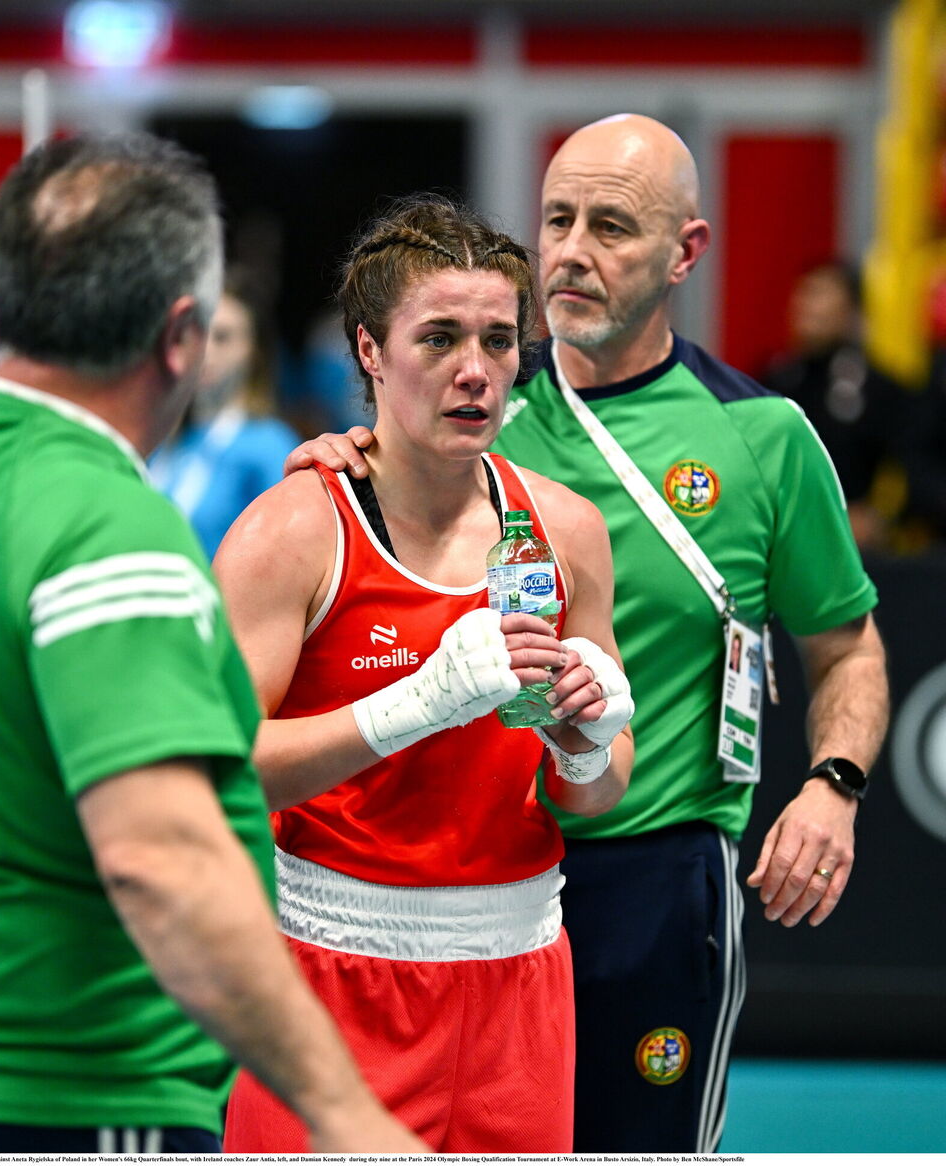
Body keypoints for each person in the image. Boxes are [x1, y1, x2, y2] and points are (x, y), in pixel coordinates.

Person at [0, 133, 426, 1156]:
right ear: (179, 336)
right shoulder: (109, 525)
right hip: (66, 1093)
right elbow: (163, 859)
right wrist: (346, 1116)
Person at [286, 114, 889, 1153]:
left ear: (684, 253)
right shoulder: (477, 406)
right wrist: (349, 456)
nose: (570, 251)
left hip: (653, 881)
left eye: (611, 225)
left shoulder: (762, 436)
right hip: (477, 883)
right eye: (557, 219)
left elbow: (848, 647)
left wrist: (833, 784)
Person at [215, 195, 634, 1153]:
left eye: (498, 338)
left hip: (520, 985)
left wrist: (583, 741)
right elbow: (214, 766)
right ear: (368, 350)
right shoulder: (295, 531)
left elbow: (601, 796)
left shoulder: (566, 531)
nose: (475, 371)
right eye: (438, 338)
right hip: (330, 979)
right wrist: (416, 704)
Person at [149, 272, 301, 558]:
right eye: (195, 334)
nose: (205, 350)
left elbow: (291, 554)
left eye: (222, 337)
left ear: (253, 350)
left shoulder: (269, 444)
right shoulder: (163, 438)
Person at [761, 260, 908, 549]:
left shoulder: (880, 390)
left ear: (851, 310)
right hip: (783, 539)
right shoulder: (772, 381)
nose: (808, 305)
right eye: (804, 293)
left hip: (854, 550)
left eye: (822, 294)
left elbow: (910, 468)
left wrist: (880, 517)